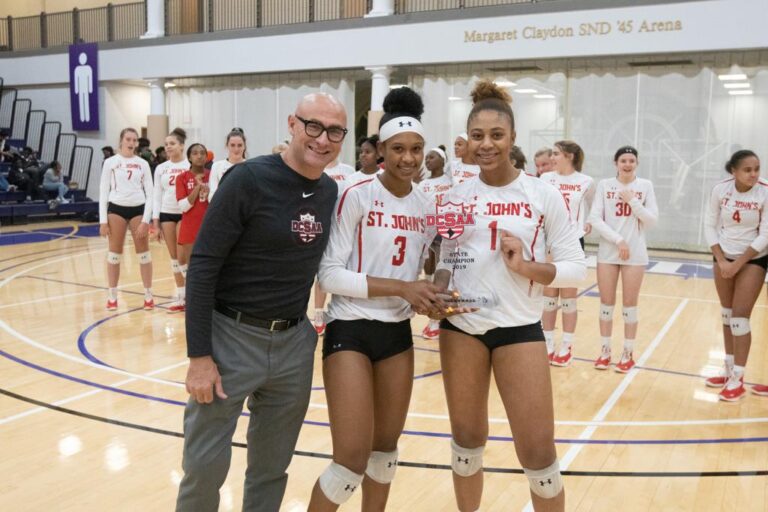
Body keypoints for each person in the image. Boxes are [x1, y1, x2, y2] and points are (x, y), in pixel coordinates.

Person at [175, 92, 347, 512]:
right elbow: (202, 265)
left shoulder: (328, 192)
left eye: (334, 131)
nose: (322, 139)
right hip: (229, 338)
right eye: (313, 126)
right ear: (292, 124)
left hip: (292, 344)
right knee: (204, 468)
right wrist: (199, 356)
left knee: (272, 469)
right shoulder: (247, 179)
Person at [432, 79, 585, 512]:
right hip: (461, 328)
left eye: (496, 136)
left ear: (512, 139)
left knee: (538, 452)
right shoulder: (457, 194)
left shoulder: (542, 194)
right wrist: (439, 288)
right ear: (467, 140)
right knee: (466, 440)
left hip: (519, 329)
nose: (486, 145)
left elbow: (576, 267)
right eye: (477, 136)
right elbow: (448, 255)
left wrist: (526, 267)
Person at [307, 86, 445, 511]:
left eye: (417, 149)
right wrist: (401, 288)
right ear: (381, 149)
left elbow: (427, 268)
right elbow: (329, 274)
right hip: (350, 328)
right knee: (350, 461)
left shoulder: (428, 205)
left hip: (397, 336)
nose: (408, 158)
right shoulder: (357, 193)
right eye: (398, 148)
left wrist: (436, 288)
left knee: (384, 456)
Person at [703, 150, 767, 401]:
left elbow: (765, 234)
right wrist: (720, 259)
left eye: (757, 168)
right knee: (727, 313)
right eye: (747, 170)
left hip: (753, 258)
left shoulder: (764, 191)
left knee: (740, 317)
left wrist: (738, 263)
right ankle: (728, 368)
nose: (754, 174)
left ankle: (738, 378)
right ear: (734, 171)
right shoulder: (720, 190)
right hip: (724, 256)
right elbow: (709, 224)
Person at [588, 146, 658, 373]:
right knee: (606, 305)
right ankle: (605, 351)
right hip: (609, 252)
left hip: (636, 254)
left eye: (631, 161)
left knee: (630, 306)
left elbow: (651, 221)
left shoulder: (645, 186)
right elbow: (594, 218)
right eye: (623, 161)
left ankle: (628, 354)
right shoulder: (605, 185)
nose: (627, 164)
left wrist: (633, 202)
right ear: (616, 163)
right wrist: (618, 240)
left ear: (636, 163)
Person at [541, 140, 595, 365]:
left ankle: (567, 345)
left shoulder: (586, 182)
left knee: (569, 299)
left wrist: (587, 223)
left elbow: (592, 210)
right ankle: (548, 342)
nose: (551, 158)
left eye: (556, 154)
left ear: (570, 156)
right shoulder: (546, 179)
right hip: (549, 243)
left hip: (572, 243)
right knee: (549, 298)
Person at [98, 127, 154, 311]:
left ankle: (148, 294)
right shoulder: (111, 162)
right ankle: (112, 295)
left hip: (138, 209)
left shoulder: (142, 163)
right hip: (116, 209)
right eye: (128, 139)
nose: (131, 143)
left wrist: (146, 220)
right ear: (121, 141)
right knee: (114, 254)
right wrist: (102, 221)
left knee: (144, 254)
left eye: (134, 140)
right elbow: (103, 190)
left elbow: (150, 193)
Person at [312, 156, 357, 335]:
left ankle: (344, 310)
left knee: (345, 270)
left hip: (344, 228)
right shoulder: (316, 169)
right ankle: (318, 314)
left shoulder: (348, 171)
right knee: (321, 272)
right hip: (322, 225)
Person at [152, 127, 189, 314]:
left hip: (185, 214)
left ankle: (193, 295)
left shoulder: (189, 166)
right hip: (166, 213)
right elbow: (156, 195)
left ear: (182, 146)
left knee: (184, 257)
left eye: (172, 144)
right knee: (174, 258)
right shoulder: (161, 168)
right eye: (166, 144)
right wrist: (155, 222)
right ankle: (182, 298)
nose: (168, 147)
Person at [419, 145, 453, 340]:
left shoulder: (450, 181)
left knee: (444, 275)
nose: (427, 160)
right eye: (427, 158)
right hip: (428, 233)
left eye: (432, 157)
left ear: (442, 160)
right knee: (429, 275)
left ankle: (438, 321)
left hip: (447, 232)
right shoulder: (422, 184)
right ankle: (433, 319)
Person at [209, 128, 247, 200]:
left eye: (239, 145)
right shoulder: (217, 166)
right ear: (227, 146)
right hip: (224, 209)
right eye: (232, 145)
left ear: (244, 146)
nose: (236, 149)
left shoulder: (251, 166)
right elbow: (211, 197)